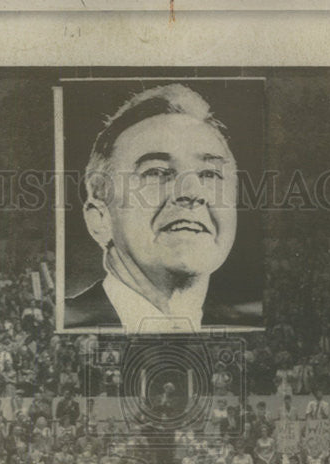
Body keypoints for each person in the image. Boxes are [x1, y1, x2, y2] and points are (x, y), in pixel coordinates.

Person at [65, 83, 239, 332]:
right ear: (99, 218)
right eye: (156, 172)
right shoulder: (67, 322)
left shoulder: (242, 323)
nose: (192, 193)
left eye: (210, 174)